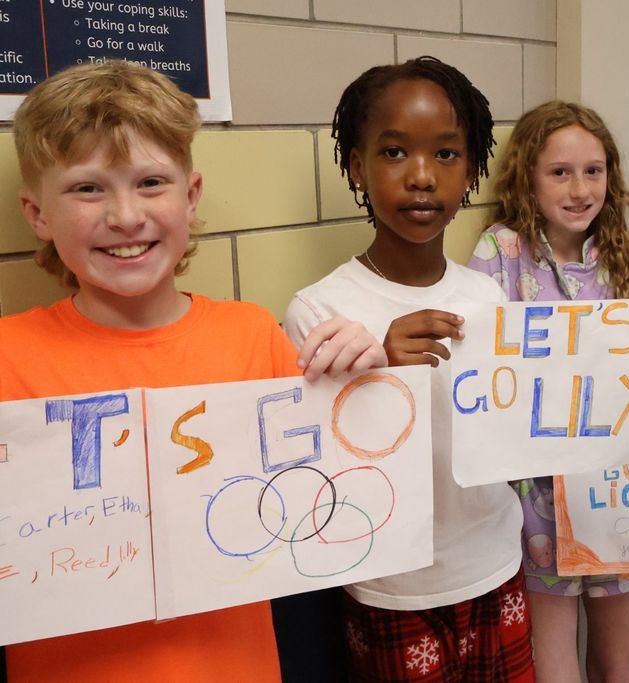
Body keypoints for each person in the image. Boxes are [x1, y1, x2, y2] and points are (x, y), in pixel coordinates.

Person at [0, 61, 384, 682]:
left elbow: (326, 503)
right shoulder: (7, 360)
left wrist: (361, 387)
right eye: (87, 189)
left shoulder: (253, 337)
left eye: (150, 181)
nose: (125, 216)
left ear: (191, 195)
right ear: (37, 214)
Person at [283, 56, 535, 681]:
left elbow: (518, 438)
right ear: (356, 168)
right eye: (394, 152)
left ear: (472, 169)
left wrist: (627, 392)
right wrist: (384, 371)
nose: (422, 176)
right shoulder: (319, 308)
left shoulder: (488, 299)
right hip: (392, 585)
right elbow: (317, 471)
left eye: (446, 155)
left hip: (497, 562)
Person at [466, 101, 629, 682]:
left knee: (618, 661)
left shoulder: (624, 262)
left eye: (594, 170)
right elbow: (483, 370)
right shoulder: (499, 253)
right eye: (560, 172)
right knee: (553, 659)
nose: (580, 188)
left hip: (617, 486)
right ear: (527, 178)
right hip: (536, 499)